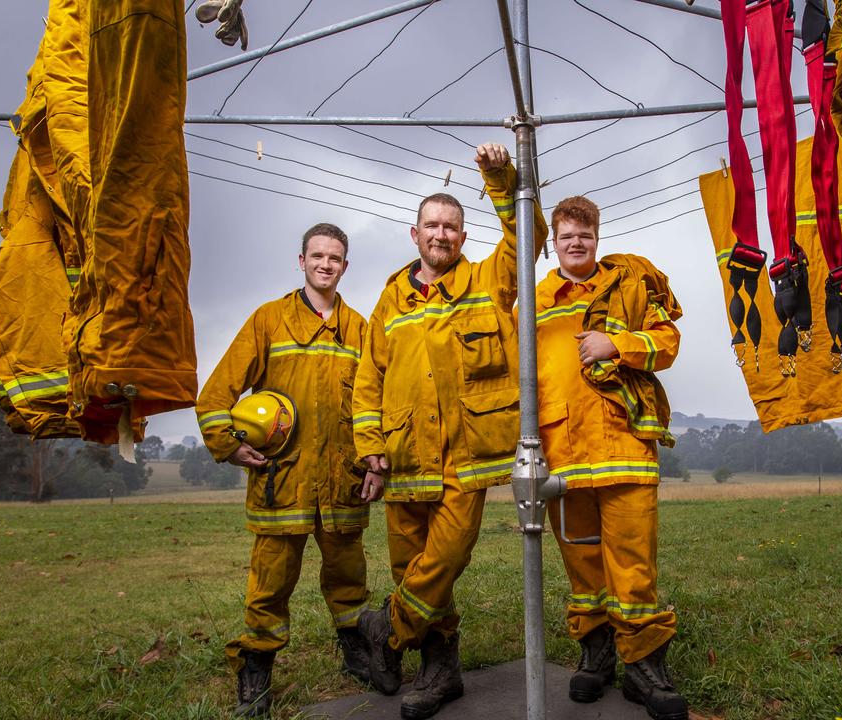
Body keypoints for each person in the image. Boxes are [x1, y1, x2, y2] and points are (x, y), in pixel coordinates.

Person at [351, 143, 547, 720]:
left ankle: (384, 628)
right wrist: (370, 449)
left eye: (452, 227)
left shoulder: (489, 281)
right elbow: (369, 380)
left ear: (464, 236)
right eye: (432, 226)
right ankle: (440, 672)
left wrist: (501, 180)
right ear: (415, 234)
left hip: (466, 457)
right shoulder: (391, 299)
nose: (442, 235)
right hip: (404, 456)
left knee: (446, 558)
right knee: (412, 569)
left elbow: (528, 240)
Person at [195, 223, 373, 719]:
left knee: (349, 578)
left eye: (334, 257)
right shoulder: (268, 321)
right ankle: (256, 669)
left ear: (345, 266)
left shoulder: (360, 329)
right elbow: (215, 395)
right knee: (270, 584)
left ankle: (357, 649)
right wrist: (227, 446)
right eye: (317, 256)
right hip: (283, 483)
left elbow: (373, 403)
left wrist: (375, 461)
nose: (325, 264)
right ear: (301, 261)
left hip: (343, 482)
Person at [534, 195, 688, 720]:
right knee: (581, 565)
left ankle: (644, 668)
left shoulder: (629, 287)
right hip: (563, 455)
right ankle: (595, 656)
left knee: (633, 567)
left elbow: (668, 341)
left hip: (624, 449)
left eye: (586, 234)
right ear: (554, 242)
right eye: (566, 235)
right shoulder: (535, 301)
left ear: (598, 238)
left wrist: (615, 343)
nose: (576, 242)